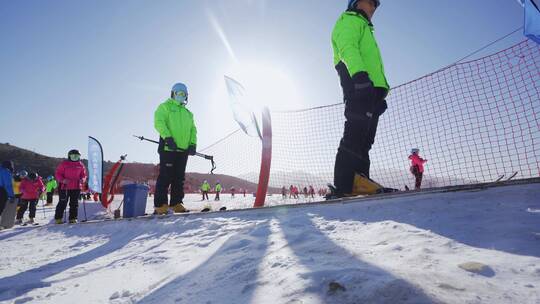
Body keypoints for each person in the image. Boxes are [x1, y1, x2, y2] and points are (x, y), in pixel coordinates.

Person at [331, 0, 388, 197]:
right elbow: (348, 48)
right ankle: (344, 185)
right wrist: (360, 77)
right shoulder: (349, 20)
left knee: (366, 140)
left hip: (371, 89)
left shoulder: (365, 27)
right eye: (371, 2)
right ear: (356, 2)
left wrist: (381, 92)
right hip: (359, 84)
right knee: (355, 132)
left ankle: (360, 180)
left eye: (376, 5)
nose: (374, 8)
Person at [154, 82, 197, 215]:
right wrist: (167, 137)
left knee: (179, 178)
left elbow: (193, 130)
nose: (181, 96)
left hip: (182, 151)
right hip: (168, 148)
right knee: (165, 177)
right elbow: (159, 122)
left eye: (183, 94)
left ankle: (176, 203)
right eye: (178, 93)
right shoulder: (165, 107)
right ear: (173, 94)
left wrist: (192, 144)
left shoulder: (188, 113)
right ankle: (161, 205)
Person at [54, 149, 87, 224]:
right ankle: (58, 218)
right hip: (64, 187)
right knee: (63, 202)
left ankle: (73, 218)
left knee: (74, 203)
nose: (75, 157)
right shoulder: (64, 164)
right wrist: (62, 180)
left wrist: (82, 179)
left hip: (76, 186)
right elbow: (58, 174)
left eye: (77, 156)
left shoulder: (80, 165)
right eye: (73, 156)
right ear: (69, 156)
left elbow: (84, 175)